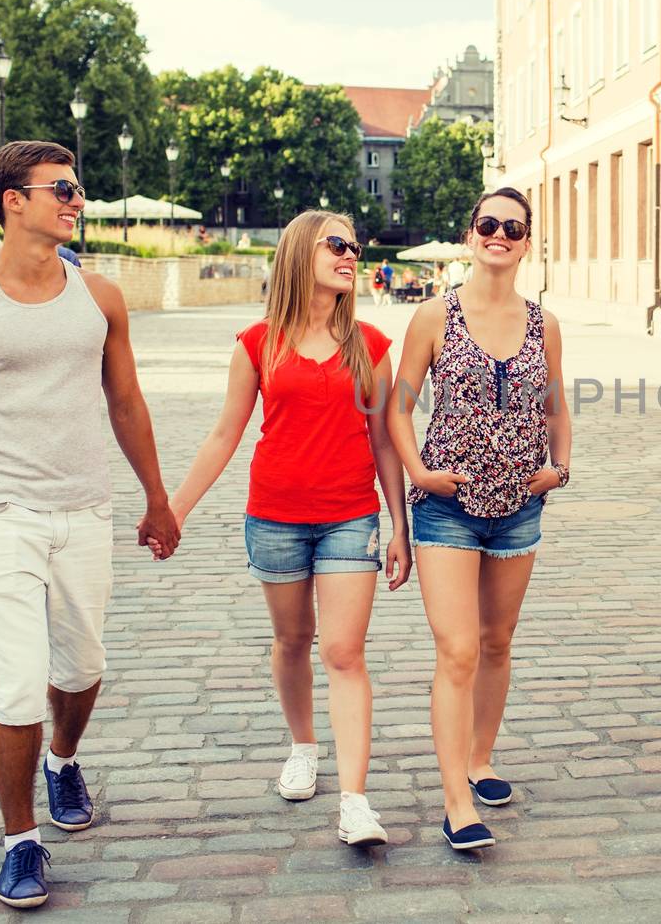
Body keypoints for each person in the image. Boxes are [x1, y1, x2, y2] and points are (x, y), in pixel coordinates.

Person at [0, 141, 180, 910]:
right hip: (0, 511)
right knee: (17, 682)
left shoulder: (100, 296)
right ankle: (20, 841)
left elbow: (126, 402)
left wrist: (157, 497)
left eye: (78, 186)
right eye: (60, 188)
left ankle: (64, 758)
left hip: (85, 507)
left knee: (82, 666)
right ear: (12, 201)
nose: (76, 199)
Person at [162, 209, 410, 847]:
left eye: (355, 247)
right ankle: (304, 746)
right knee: (293, 639)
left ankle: (355, 801)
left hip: (350, 516)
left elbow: (384, 442)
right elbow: (225, 434)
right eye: (337, 245)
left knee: (343, 652)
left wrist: (399, 529)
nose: (352, 255)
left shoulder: (372, 346)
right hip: (273, 515)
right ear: (302, 253)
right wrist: (175, 508)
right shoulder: (257, 342)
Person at [387, 187, 572, 851]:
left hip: (520, 506)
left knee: (498, 640)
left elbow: (556, 403)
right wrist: (418, 473)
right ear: (472, 235)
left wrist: (561, 466)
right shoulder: (435, 316)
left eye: (513, 228)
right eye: (488, 224)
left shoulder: (543, 323)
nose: (499, 235)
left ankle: (481, 757)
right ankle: (456, 802)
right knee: (458, 648)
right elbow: (398, 407)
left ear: (527, 242)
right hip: (448, 507)